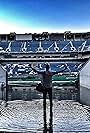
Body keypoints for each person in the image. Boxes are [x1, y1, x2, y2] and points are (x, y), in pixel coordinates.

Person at [30, 63, 67, 133]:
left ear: (45, 67)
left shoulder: (43, 73)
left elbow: (36, 71)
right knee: (50, 98)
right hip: (50, 88)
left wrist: (31, 67)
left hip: (44, 88)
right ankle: (50, 108)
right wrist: (64, 68)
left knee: (44, 98)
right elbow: (59, 71)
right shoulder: (51, 73)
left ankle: (44, 108)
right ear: (49, 67)